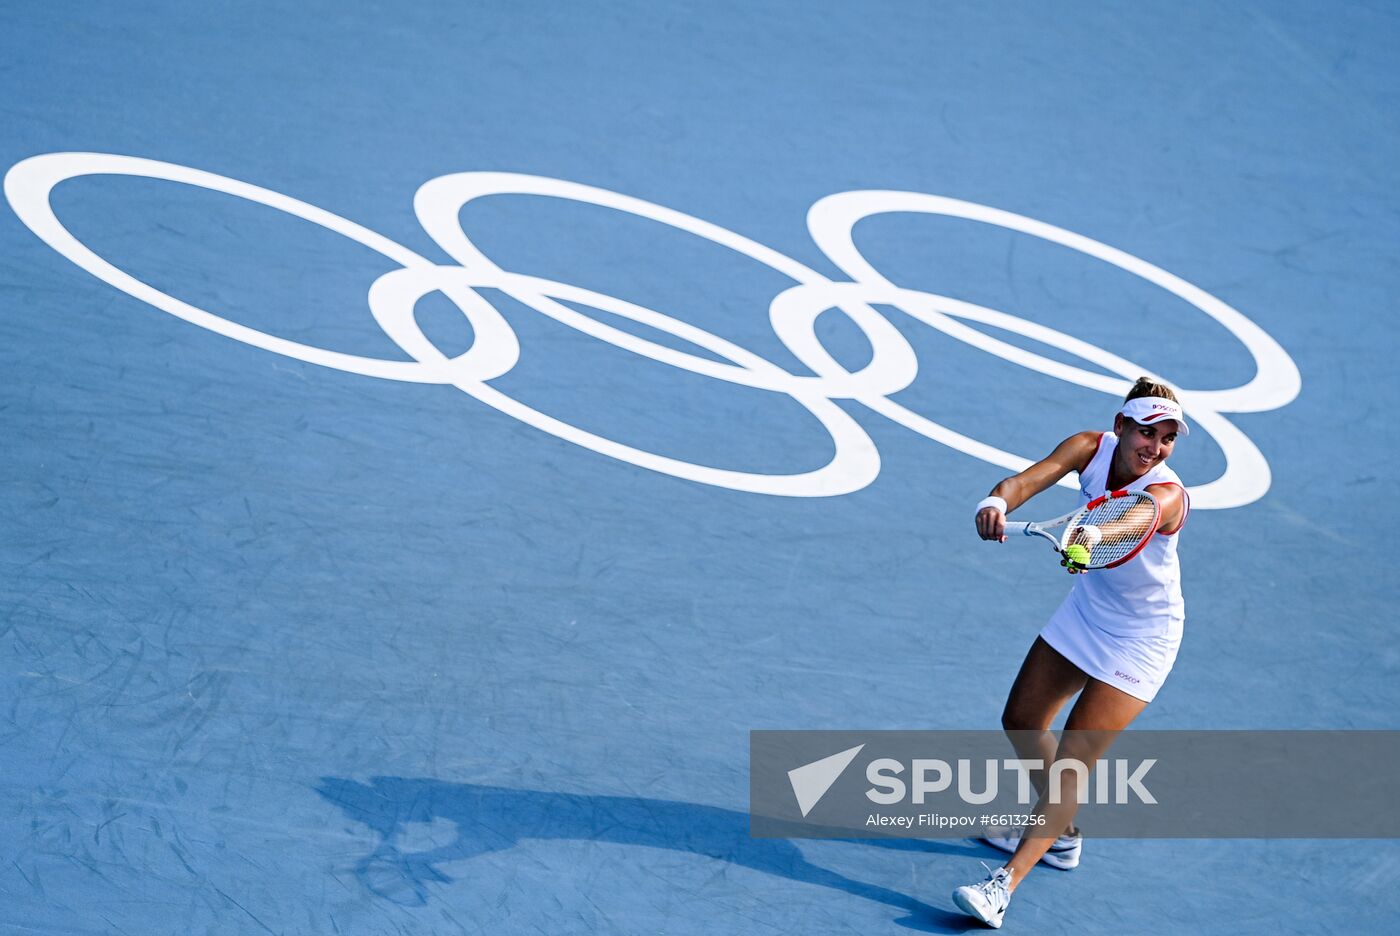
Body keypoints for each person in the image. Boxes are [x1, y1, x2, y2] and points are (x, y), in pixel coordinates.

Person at [950, 377, 1191, 928]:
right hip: (1089, 615)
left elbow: (1137, 518)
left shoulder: (1169, 493)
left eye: (1167, 438)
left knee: (1073, 762)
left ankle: (1003, 887)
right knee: (1021, 719)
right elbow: (1026, 480)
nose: (1154, 447)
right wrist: (996, 501)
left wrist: (1093, 538)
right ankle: (1058, 833)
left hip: (1143, 638)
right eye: (1146, 432)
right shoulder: (1089, 447)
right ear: (1120, 427)